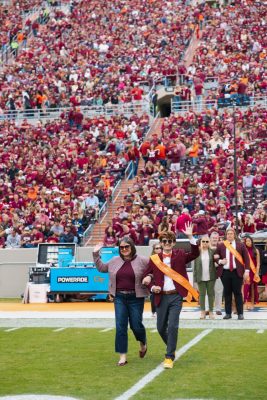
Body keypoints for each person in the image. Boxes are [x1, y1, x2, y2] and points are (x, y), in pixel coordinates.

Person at [142, 223, 199, 369]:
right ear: (160, 243)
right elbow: (145, 276)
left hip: (176, 296)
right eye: (164, 241)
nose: (167, 244)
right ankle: (171, 347)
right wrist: (151, 286)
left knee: (173, 325)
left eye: (169, 241)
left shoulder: (180, 254)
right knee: (161, 327)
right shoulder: (155, 259)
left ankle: (169, 356)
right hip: (160, 296)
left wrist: (191, 237)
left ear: (173, 243)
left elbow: (194, 254)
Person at [93, 237, 149, 366]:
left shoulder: (143, 260)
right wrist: (96, 253)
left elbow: (152, 271)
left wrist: (149, 277)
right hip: (119, 297)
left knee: (136, 325)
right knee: (120, 326)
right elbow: (101, 268)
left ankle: (143, 342)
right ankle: (122, 356)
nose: (124, 249)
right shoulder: (114, 260)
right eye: (121, 247)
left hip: (136, 297)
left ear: (132, 247)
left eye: (126, 247)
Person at [215, 228, 250, 320]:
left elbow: (247, 259)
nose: (230, 235)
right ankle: (228, 313)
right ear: (226, 235)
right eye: (228, 234)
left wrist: (247, 271)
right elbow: (215, 257)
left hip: (237, 272)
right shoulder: (221, 245)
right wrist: (220, 261)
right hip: (225, 272)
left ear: (234, 235)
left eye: (231, 233)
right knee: (227, 293)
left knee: (238, 293)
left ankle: (240, 313)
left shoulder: (241, 245)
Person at [194, 236, 217, 319]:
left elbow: (217, 262)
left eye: (207, 241)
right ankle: (202, 312)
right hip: (200, 277)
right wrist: (195, 280)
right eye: (203, 241)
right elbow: (195, 268)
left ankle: (211, 312)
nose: (205, 243)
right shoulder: (197, 252)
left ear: (209, 242)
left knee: (211, 294)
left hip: (211, 277)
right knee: (202, 295)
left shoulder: (212, 251)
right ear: (201, 242)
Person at [243, 236, 260, 310]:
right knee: (245, 289)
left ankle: (252, 304)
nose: (247, 242)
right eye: (246, 241)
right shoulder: (244, 250)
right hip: (246, 271)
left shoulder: (256, 250)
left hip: (253, 272)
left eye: (249, 241)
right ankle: (244, 304)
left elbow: (258, 263)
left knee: (252, 288)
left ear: (252, 241)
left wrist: (257, 273)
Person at [210, 231, 223, 315]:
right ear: (210, 238)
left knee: (218, 291)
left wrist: (218, 262)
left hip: (219, 273)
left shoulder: (221, 247)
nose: (215, 239)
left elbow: (224, 259)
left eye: (216, 238)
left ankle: (218, 309)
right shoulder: (206, 247)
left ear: (218, 239)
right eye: (213, 238)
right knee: (209, 292)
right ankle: (208, 308)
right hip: (208, 273)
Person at [150, 243, 162, 316]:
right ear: (154, 250)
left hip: (163, 280)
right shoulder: (152, 258)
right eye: (156, 248)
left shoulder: (166, 257)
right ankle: (154, 311)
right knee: (154, 296)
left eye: (160, 248)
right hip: (154, 280)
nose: (159, 249)